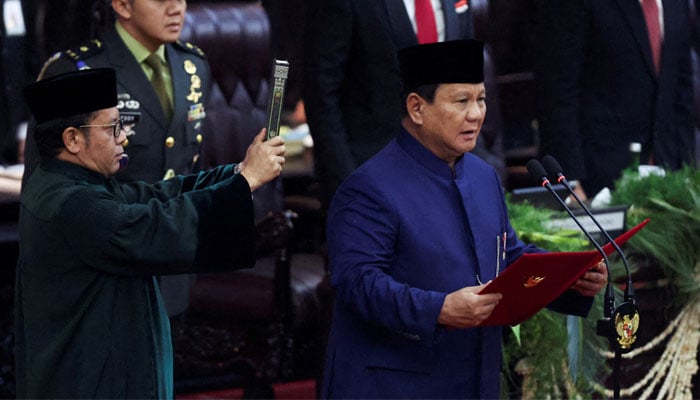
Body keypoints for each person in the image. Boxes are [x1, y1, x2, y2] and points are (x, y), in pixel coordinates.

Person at [321, 40, 608, 399]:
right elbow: (357, 284)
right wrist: (438, 309)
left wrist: (571, 278)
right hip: (394, 384)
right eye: (461, 101)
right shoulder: (368, 189)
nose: (476, 114)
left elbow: (507, 258)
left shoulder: (483, 176)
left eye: (482, 99)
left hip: (476, 378)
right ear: (417, 108)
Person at [14, 67, 286, 398]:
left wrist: (238, 173)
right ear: (72, 139)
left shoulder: (69, 182)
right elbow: (153, 227)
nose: (123, 137)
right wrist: (247, 182)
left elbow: (156, 197)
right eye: (113, 127)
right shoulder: (71, 202)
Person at [303, 0, 481, 208]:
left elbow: (468, 87)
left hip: (449, 182)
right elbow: (321, 97)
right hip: (372, 181)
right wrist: (350, 188)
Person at [532, 0, 696, 199]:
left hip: (667, 174)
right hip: (599, 180)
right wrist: (570, 180)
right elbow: (558, 93)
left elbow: (681, 93)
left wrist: (687, 171)